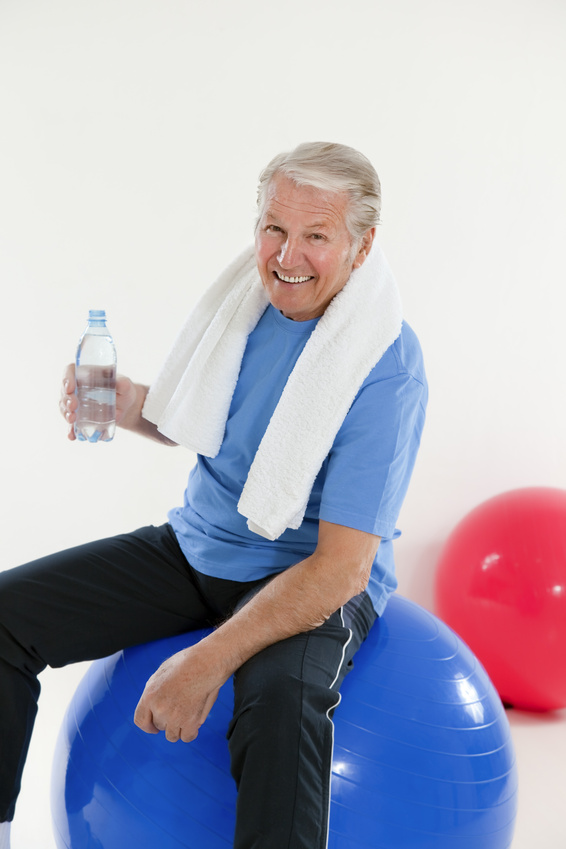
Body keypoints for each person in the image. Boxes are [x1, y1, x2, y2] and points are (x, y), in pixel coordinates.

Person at [0, 142, 427, 849]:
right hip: (200, 546)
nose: (287, 256)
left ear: (362, 245)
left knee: (281, 703)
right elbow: (201, 420)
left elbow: (341, 568)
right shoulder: (244, 308)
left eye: (316, 236)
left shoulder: (386, 362)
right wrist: (125, 404)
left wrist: (206, 660)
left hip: (307, 575)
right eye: (274, 228)